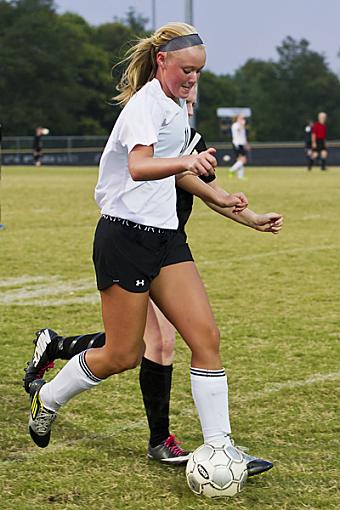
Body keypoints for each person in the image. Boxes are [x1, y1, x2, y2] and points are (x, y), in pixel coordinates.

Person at [26, 23, 277, 479]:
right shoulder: (146, 104)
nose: (192, 81)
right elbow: (141, 166)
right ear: (162, 61)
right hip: (125, 238)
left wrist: (228, 202)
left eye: (198, 73)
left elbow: (177, 173)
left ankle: (220, 447)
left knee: (206, 340)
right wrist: (188, 160)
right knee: (122, 354)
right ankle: (50, 397)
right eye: (186, 70)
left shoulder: (177, 107)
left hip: (165, 240)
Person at [229, 114, 250, 179]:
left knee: (240, 160)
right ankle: (231, 170)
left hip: (241, 144)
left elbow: (243, 136)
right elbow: (238, 130)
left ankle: (240, 176)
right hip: (237, 144)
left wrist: (246, 144)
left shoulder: (242, 126)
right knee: (243, 160)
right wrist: (241, 124)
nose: (243, 119)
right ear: (237, 119)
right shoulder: (235, 125)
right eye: (241, 118)